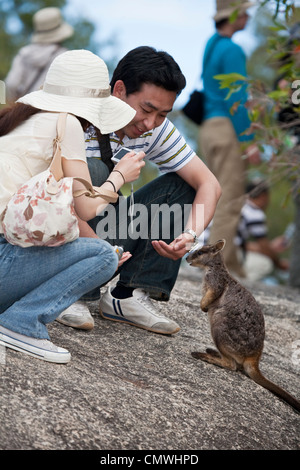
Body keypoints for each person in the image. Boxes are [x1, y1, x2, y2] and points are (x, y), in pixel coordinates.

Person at [58, 46, 221, 336]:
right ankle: (74, 292)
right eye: (146, 110)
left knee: (181, 184)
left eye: (162, 114)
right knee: (93, 171)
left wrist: (189, 236)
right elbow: (54, 201)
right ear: (119, 90)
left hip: (103, 239)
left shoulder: (154, 128)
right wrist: (99, 251)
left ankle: (127, 296)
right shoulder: (77, 120)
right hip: (57, 236)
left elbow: (209, 184)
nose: (150, 124)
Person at [0, 49, 145, 363]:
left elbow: (59, 210)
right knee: (104, 255)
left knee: (101, 254)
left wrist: (94, 255)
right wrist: (120, 175)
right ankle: (21, 323)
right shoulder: (66, 125)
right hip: (3, 259)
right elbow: (87, 208)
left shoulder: (18, 118)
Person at [199, 0, 260, 278]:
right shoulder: (233, 49)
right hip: (227, 128)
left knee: (214, 194)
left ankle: (230, 264)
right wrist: (249, 140)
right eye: (244, 10)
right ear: (233, 15)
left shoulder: (212, 45)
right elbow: (237, 99)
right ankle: (220, 267)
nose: (248, 15)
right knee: (231, 198)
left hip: (208, 127)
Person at [5, 7, 74, 102]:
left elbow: (12, 83)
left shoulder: (24, 53)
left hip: (24, 109)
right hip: (50, 109)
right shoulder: (65, 56)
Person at [236, 179, 290, 282]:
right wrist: (278, 263)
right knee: (265, 264)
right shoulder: (254, 212)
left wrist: (271, 247)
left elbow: (239, 244)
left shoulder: (241, 206)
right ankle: (238, 286)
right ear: (263, 196)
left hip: (211, 245)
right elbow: (263, 247)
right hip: (229, 253)